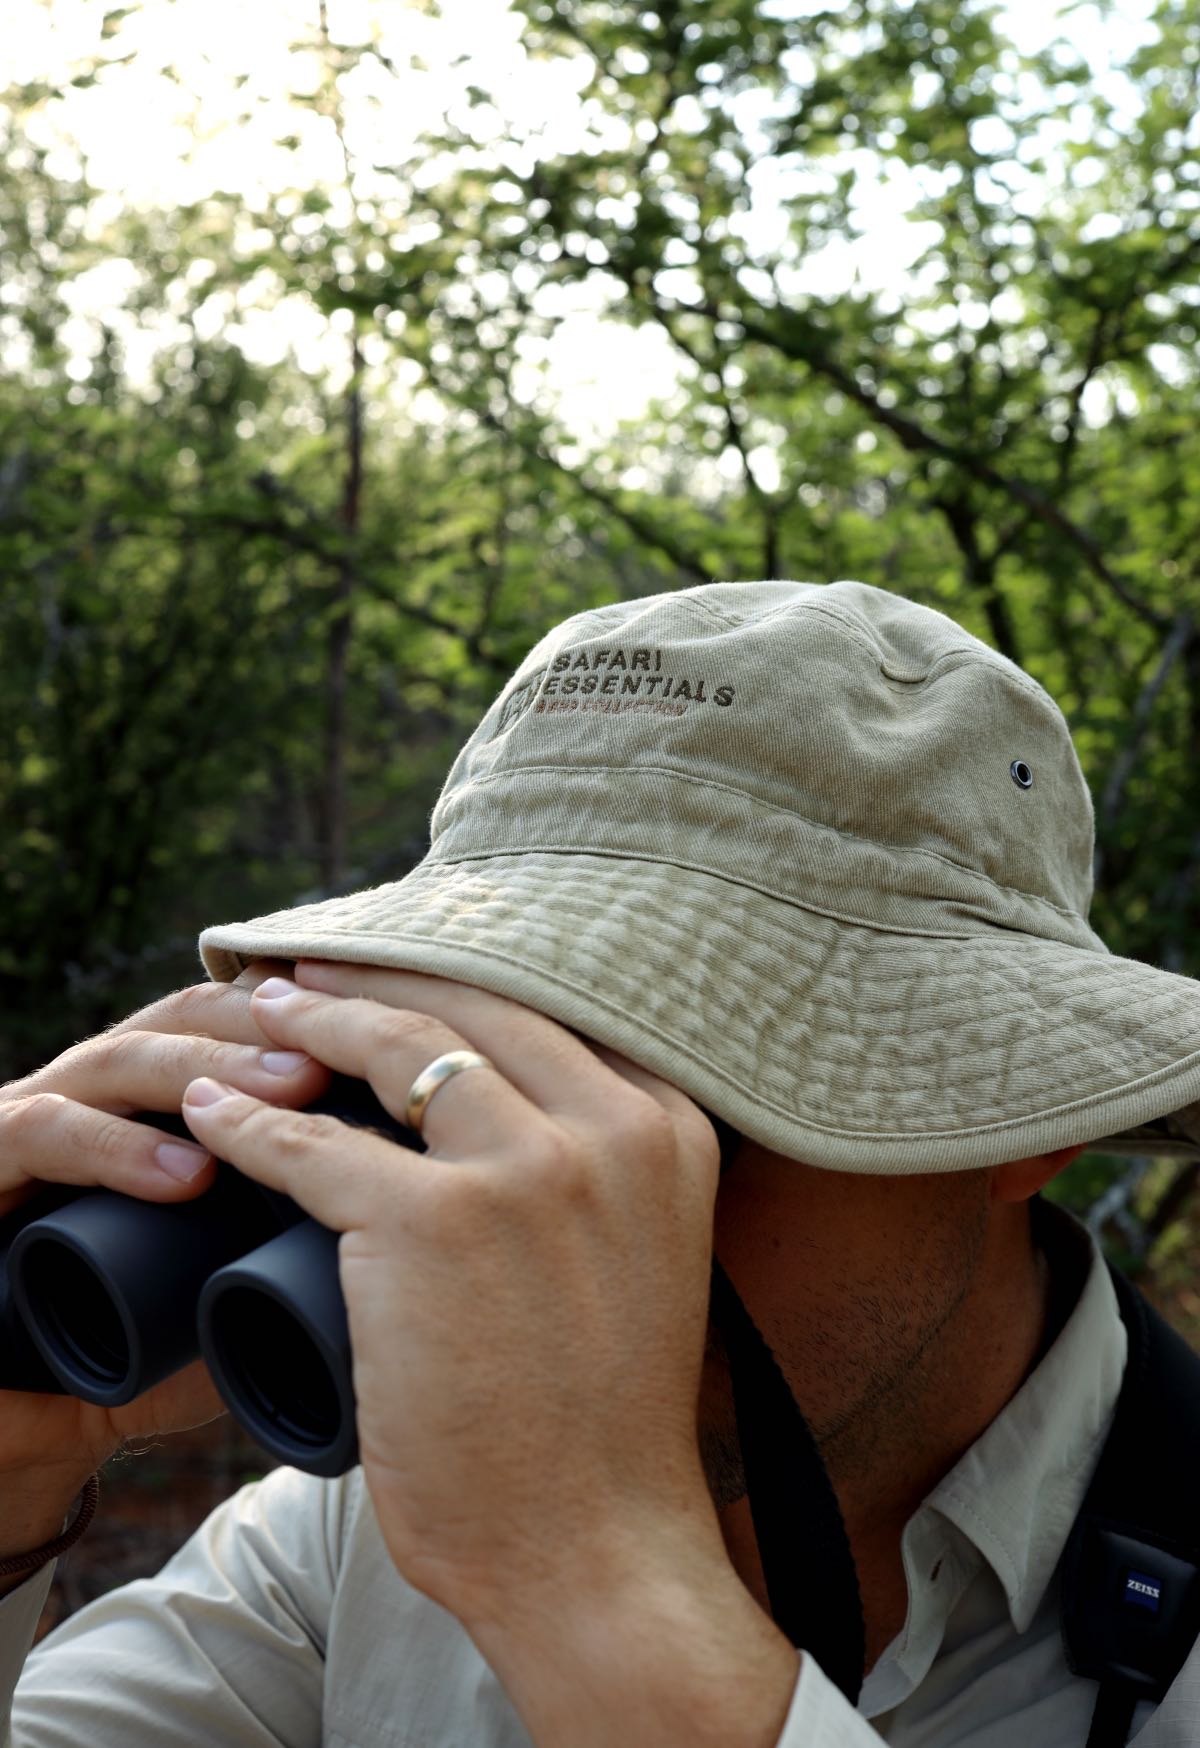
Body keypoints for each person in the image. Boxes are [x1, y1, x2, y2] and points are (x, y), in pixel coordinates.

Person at [2, 577, 1199, 1747]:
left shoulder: (502, 1521)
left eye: (686, 1097)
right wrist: (11, 1481)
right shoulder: (365, 1529)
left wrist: (593, 1578)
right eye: (486, 1073)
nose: (562, 1189)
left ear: (1022, 1120)